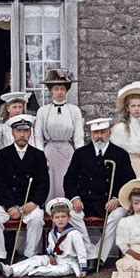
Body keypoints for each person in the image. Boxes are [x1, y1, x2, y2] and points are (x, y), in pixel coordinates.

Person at [63, 118, 136, 272]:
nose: (99, 136)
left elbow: (130, 181)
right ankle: (91, 254)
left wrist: (117, 199)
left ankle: (99, 257)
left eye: (103, 132)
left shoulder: (120, 154)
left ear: (109, 133)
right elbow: (69, 180)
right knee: (70, 213)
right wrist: (75, 198)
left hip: (110, 202)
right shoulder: (80, 154)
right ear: (90, 134)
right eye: (96, 133)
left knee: (117, 215)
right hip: (86, 202)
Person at [0, 114, 49, 271]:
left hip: (29, 202)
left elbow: (43, 183)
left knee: (37, 219)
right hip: (7, 202)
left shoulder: (38, 155)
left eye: (26, 131)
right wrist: (10, 206)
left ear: (30, 133)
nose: (22, 134)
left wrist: (34, 203)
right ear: (12, 133)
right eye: (18, 131)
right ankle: (0, 258)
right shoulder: (2, 155)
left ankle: (29, 257)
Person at [0, 198, 87, 278]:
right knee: (36, 259)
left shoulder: (74, 233)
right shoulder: (52, 233)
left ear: (69, 218)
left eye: (63, 217)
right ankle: (11, 270)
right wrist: (51, 256)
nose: (60, 220)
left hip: (69, 264)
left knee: (50, 270)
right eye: (57, 217)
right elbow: (51, 248)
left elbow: (81, 252)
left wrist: (83, 269)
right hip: (56, 259)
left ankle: (31, 271)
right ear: (52, 219)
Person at [35, 69, 85, 202]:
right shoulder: (43, 111)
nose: (59, 92)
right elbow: (38, 137)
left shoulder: (74, 111)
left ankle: (67, 215)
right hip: (49, 152)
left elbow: (78, 137)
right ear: (50, 90)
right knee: (49, 183)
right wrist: (41, 158)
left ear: (67, 90)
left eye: (62, 88)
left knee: (67, 181)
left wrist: (80, 158)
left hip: (68, 151)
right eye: (56, 89)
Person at [110, 81, 140, 177]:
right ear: (127, 108)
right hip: (125, 167)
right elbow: (113, 154)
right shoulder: (119, 129)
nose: (136, 109)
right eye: (133, 106)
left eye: (139, 106)